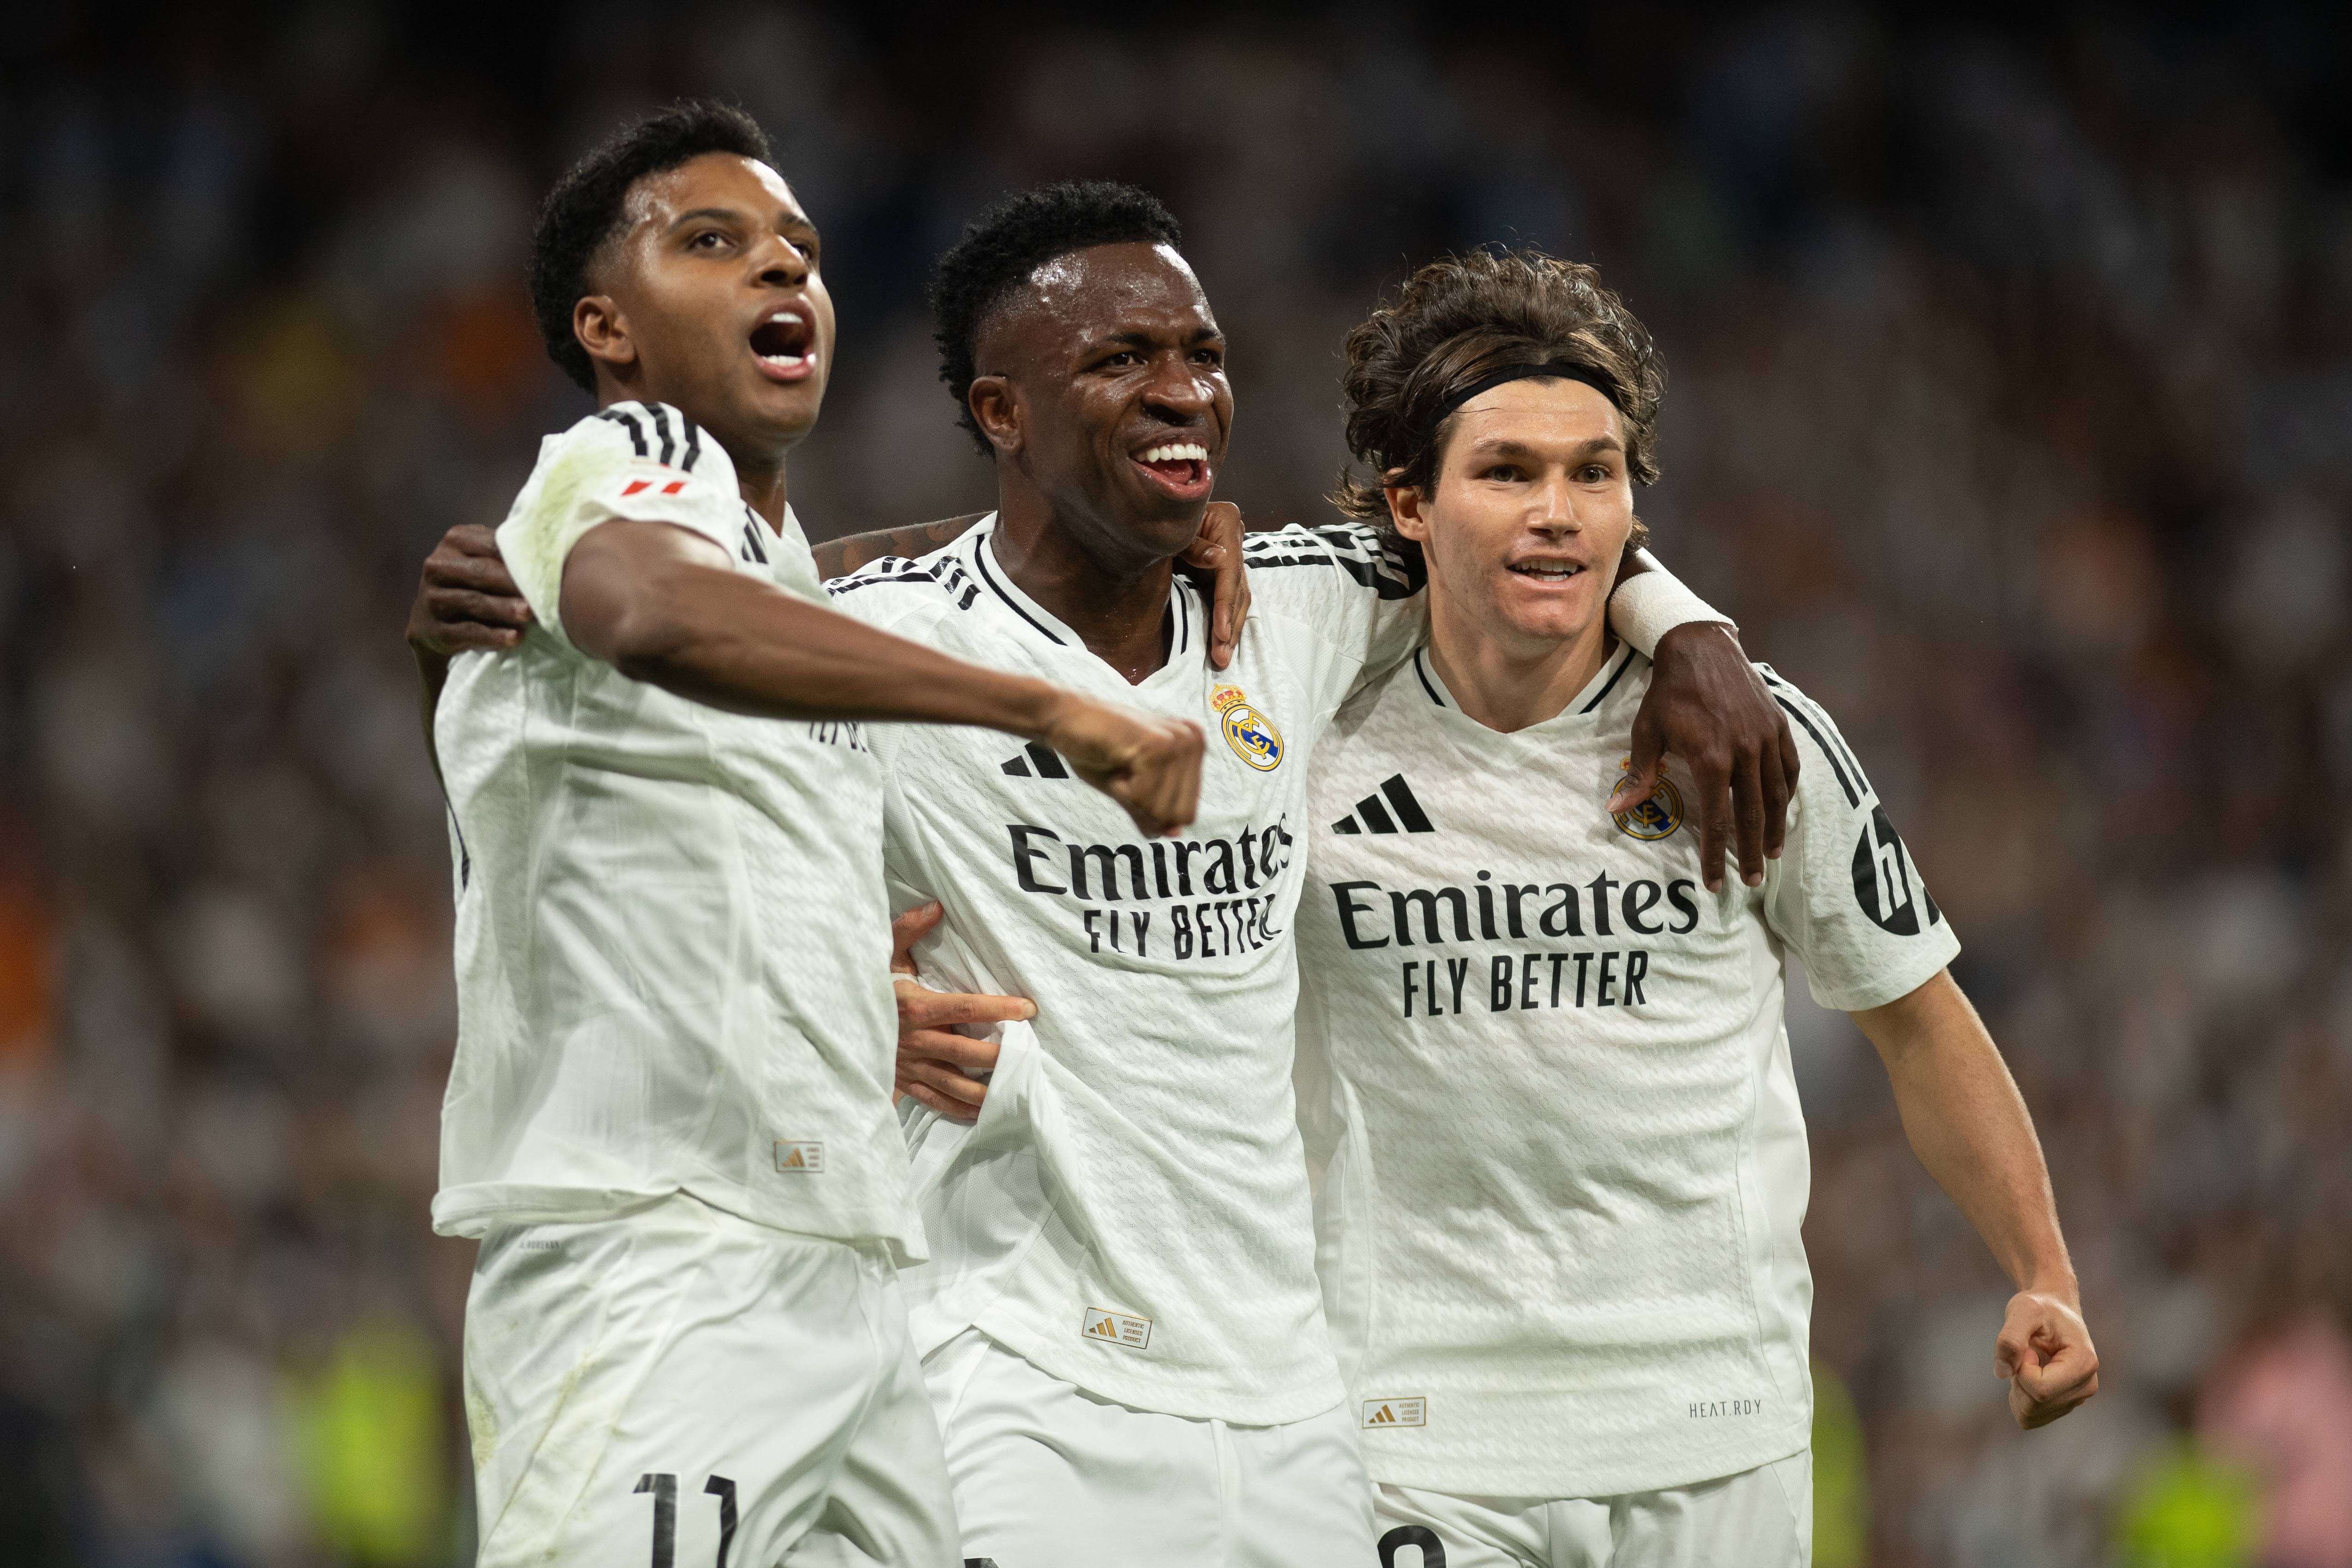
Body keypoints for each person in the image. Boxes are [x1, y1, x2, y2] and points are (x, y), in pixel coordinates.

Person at [411, 179, 1788, 1567]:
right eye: (1122, 360)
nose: (1181, 387)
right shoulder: (884, 633)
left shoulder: (1303, 602)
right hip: (1014, 1373)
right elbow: (630, 730)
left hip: (1293, 1398)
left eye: (1200, 353)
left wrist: (1687, 626)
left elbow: (1522, 526)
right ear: (1002, 415)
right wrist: (829, 987)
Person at [426, 105, 1202, 1568]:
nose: (778, 273)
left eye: (799, 250)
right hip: (658, 1265)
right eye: (709, 244)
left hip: (838, 1266)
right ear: (610, 326)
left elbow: (587, 803)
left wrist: (846, 1010)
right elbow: (643, 612)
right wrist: (1047, 708)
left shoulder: (776, 562)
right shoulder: (629, 453)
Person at [1289, 249, 2099, 1567]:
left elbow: (1915, 1017)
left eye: (1591, 473)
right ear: (1408, 505)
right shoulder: (1301, 742)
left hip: (1713, 1424)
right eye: (1506, 472)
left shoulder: (1750, 741)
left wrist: (2041, 1270)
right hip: (1414, 1428)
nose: (1556, 511)